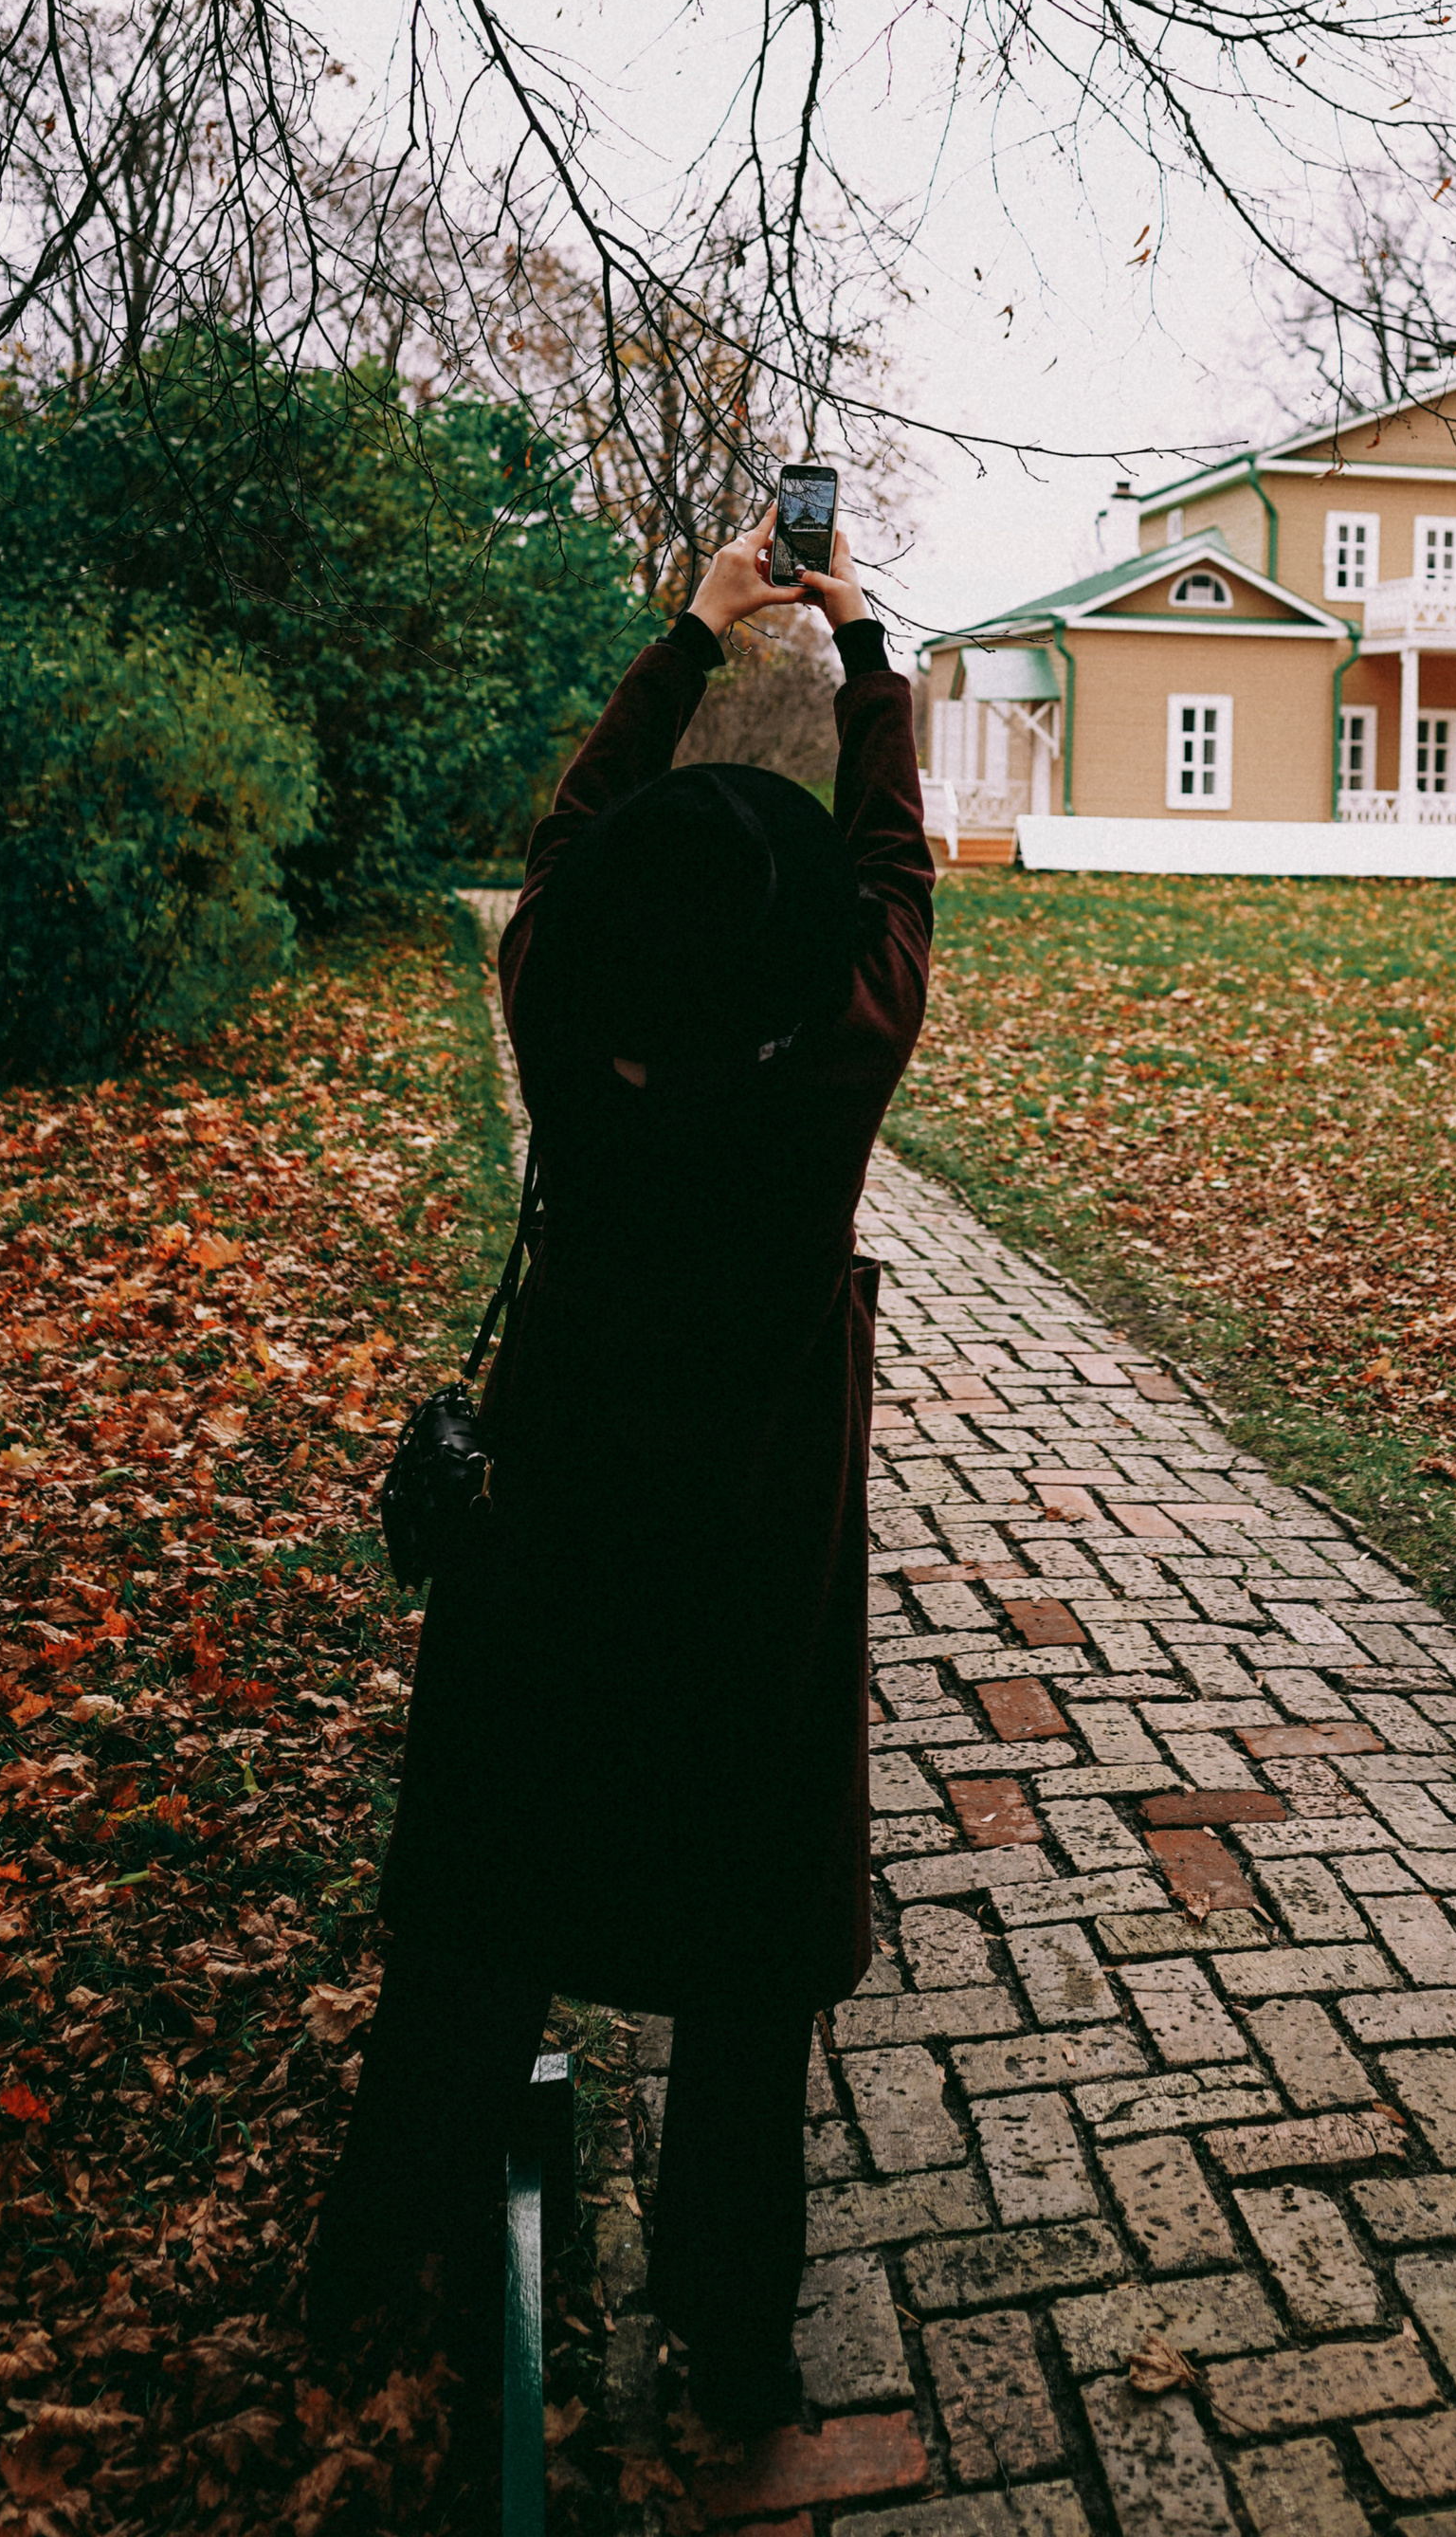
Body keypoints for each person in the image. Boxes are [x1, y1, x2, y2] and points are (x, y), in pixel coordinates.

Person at [307, 508, 933, 2432]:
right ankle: (731, 2344)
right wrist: (865, 662)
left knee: (489, 1910)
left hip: (553, 1550)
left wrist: (688, 636)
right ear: (806, 952)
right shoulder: (827, 1068)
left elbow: (566, 850)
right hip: (750, 1572)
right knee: (747, 1984)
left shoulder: (567, 1024)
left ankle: (367, 2284)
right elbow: (896, 880)